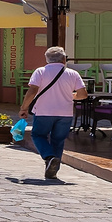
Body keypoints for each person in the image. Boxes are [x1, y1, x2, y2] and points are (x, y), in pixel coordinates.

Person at [19, 46, 89, 180]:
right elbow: (83, 94)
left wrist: (24, 108)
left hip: (44, 111)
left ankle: (50, 157)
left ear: (47, 59)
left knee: (38, 135)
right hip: (65, 113)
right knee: (58, 140)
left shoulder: (40, 71)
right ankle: (53, 170)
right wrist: (71, 96)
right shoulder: (73, 73)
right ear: (64, 59)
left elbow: (32, 91)